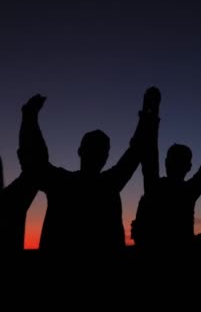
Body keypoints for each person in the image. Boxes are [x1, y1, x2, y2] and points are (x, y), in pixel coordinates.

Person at [22, 90, 156, 252]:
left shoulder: (61, 182)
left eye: (100, 150)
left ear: (80, 151)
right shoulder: (108, 183)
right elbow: (135, 151)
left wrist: (30, 116)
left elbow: (34, 160)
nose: (97, 154)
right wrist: (148, 113)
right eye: (95, 149)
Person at [133, 86, 201, 249]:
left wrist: (152, 113)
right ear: (188, 167)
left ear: (166, 163)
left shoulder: (155, 187)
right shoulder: (186, 192)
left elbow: (151, 152)